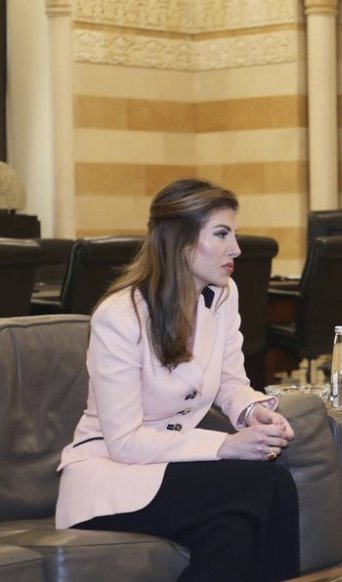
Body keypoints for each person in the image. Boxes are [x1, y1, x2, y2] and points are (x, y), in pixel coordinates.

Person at [56, 178, 300, 581]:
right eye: (222, 234)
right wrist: (227, 446)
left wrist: (254, 413)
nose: (236, 249)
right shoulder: (118, 317)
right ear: (181, 241)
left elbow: (228, 381)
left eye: (233, 234)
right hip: (109, 476)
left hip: (171, 465)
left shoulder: (223, 295)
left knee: (232, 533)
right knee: (269, 485)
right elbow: (125, 443)